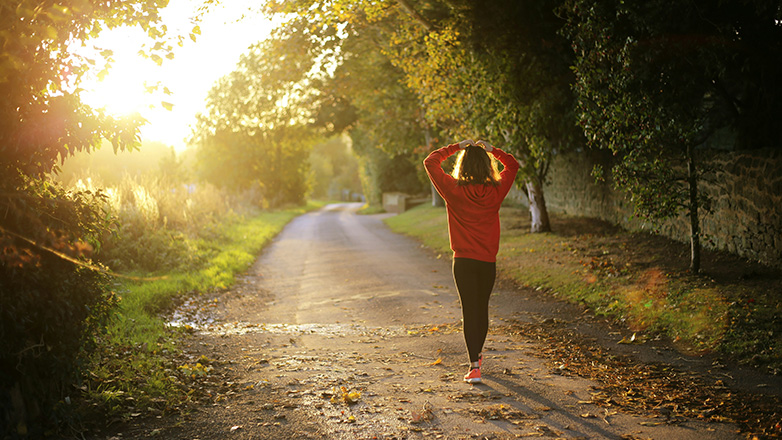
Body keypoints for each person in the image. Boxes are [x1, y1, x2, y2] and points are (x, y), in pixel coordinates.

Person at [423, 139, 520, 384]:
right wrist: (493, 150)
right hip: (487, 261)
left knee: (470, 311)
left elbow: (430, 162)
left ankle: (474, 366)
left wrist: (456, 146)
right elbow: (513, 165)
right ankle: (476, 356)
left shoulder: (453, 189)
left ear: (462, 166)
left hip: (463, 261)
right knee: (482, 309)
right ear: (487, 166)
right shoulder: (496, 190)